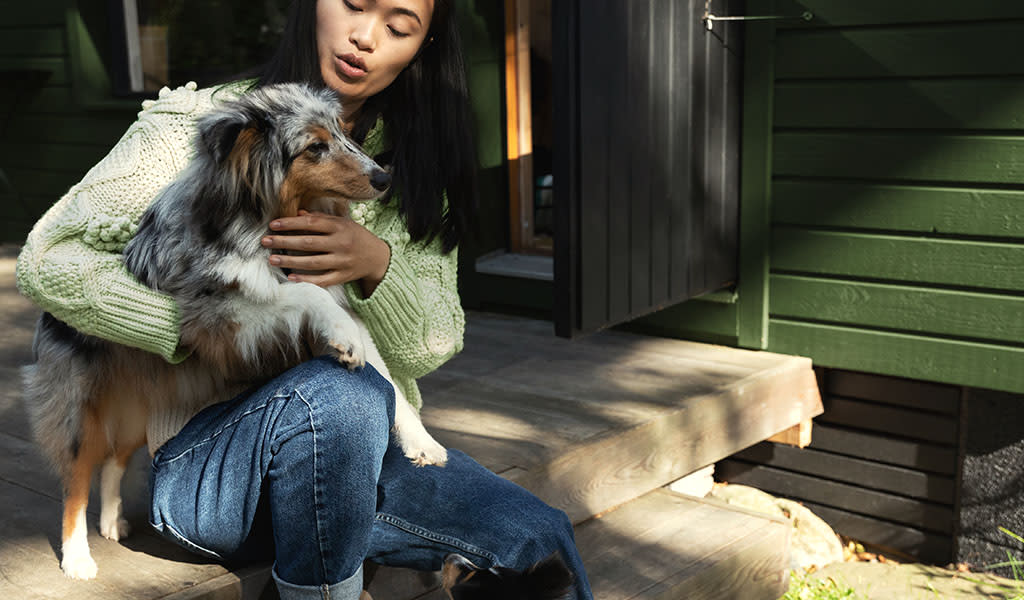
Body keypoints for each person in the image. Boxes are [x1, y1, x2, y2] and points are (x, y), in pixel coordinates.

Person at [15, 0, 595, 599]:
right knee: (337, 396)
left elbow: (434, 342)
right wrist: (194, 322)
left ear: (423, 47)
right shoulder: (197, 125)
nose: (365, 37)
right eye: (352, 4)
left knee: (538, 539)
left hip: (365, 460)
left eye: (398, 27)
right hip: (209, 464)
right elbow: (47, 259)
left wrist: (377, 266)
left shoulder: (411, 170)